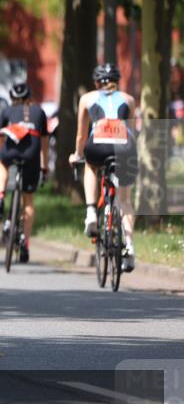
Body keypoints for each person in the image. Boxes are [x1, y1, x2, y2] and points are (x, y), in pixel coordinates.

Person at [68, 63, 138, 272]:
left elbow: (81, 134)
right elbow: (132, 131)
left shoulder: (87, 99)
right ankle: (130, 246)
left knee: (90, 166)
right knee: (125, 200)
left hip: (97, 144)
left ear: (97, 82)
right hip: (124, 146)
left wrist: (77, 155)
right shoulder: (129, 100)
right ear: (118, 81)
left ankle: (91, 212)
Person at [0, 82, 49, 263]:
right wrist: (44, 165)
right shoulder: (39, 112)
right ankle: (25, 241)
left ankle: (0, 196)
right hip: (32, 151)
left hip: (11, 149)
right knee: (28, 199)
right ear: (29, 98)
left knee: (2, 163)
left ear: (12, 98)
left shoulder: (7, 111)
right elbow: (45, 143)